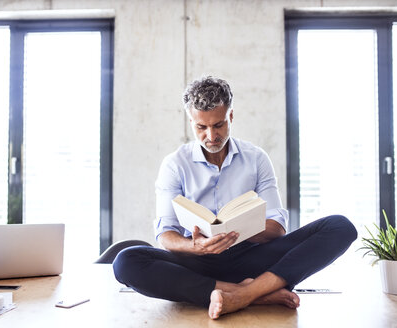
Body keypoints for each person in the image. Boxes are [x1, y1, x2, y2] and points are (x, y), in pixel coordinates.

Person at [113, 76, 357, 319]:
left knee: (340, 226)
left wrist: (236, 232)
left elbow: (277, 227)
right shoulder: (175, 164)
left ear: (230, 116)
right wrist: (194, 246)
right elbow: (166, 234)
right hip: (197, 262)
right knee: (126, 261)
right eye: (201, 127)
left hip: (252, 257)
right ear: (191, 122)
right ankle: (253, 293)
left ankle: (244, 293)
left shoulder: (256, 158)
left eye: (218, 125)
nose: (211, 136)